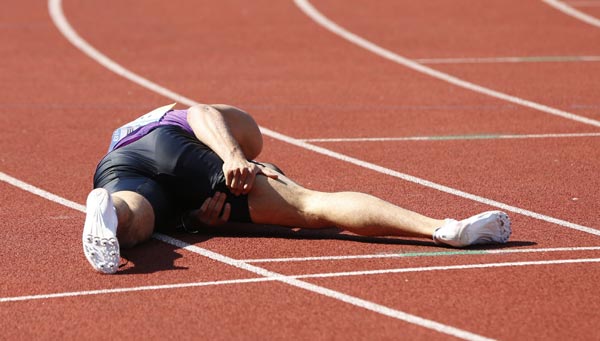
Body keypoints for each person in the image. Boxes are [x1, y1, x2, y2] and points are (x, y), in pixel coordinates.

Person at [83, 104, 511, 274]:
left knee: (136, 221)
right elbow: (200, 111)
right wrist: (235, 155)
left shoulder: (126, 133)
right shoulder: (240, 134)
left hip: (121, 166)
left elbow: (183, 209)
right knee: (311, 204)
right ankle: (441, 228)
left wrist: (194, 221)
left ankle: (107, 212)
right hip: (172, 146)